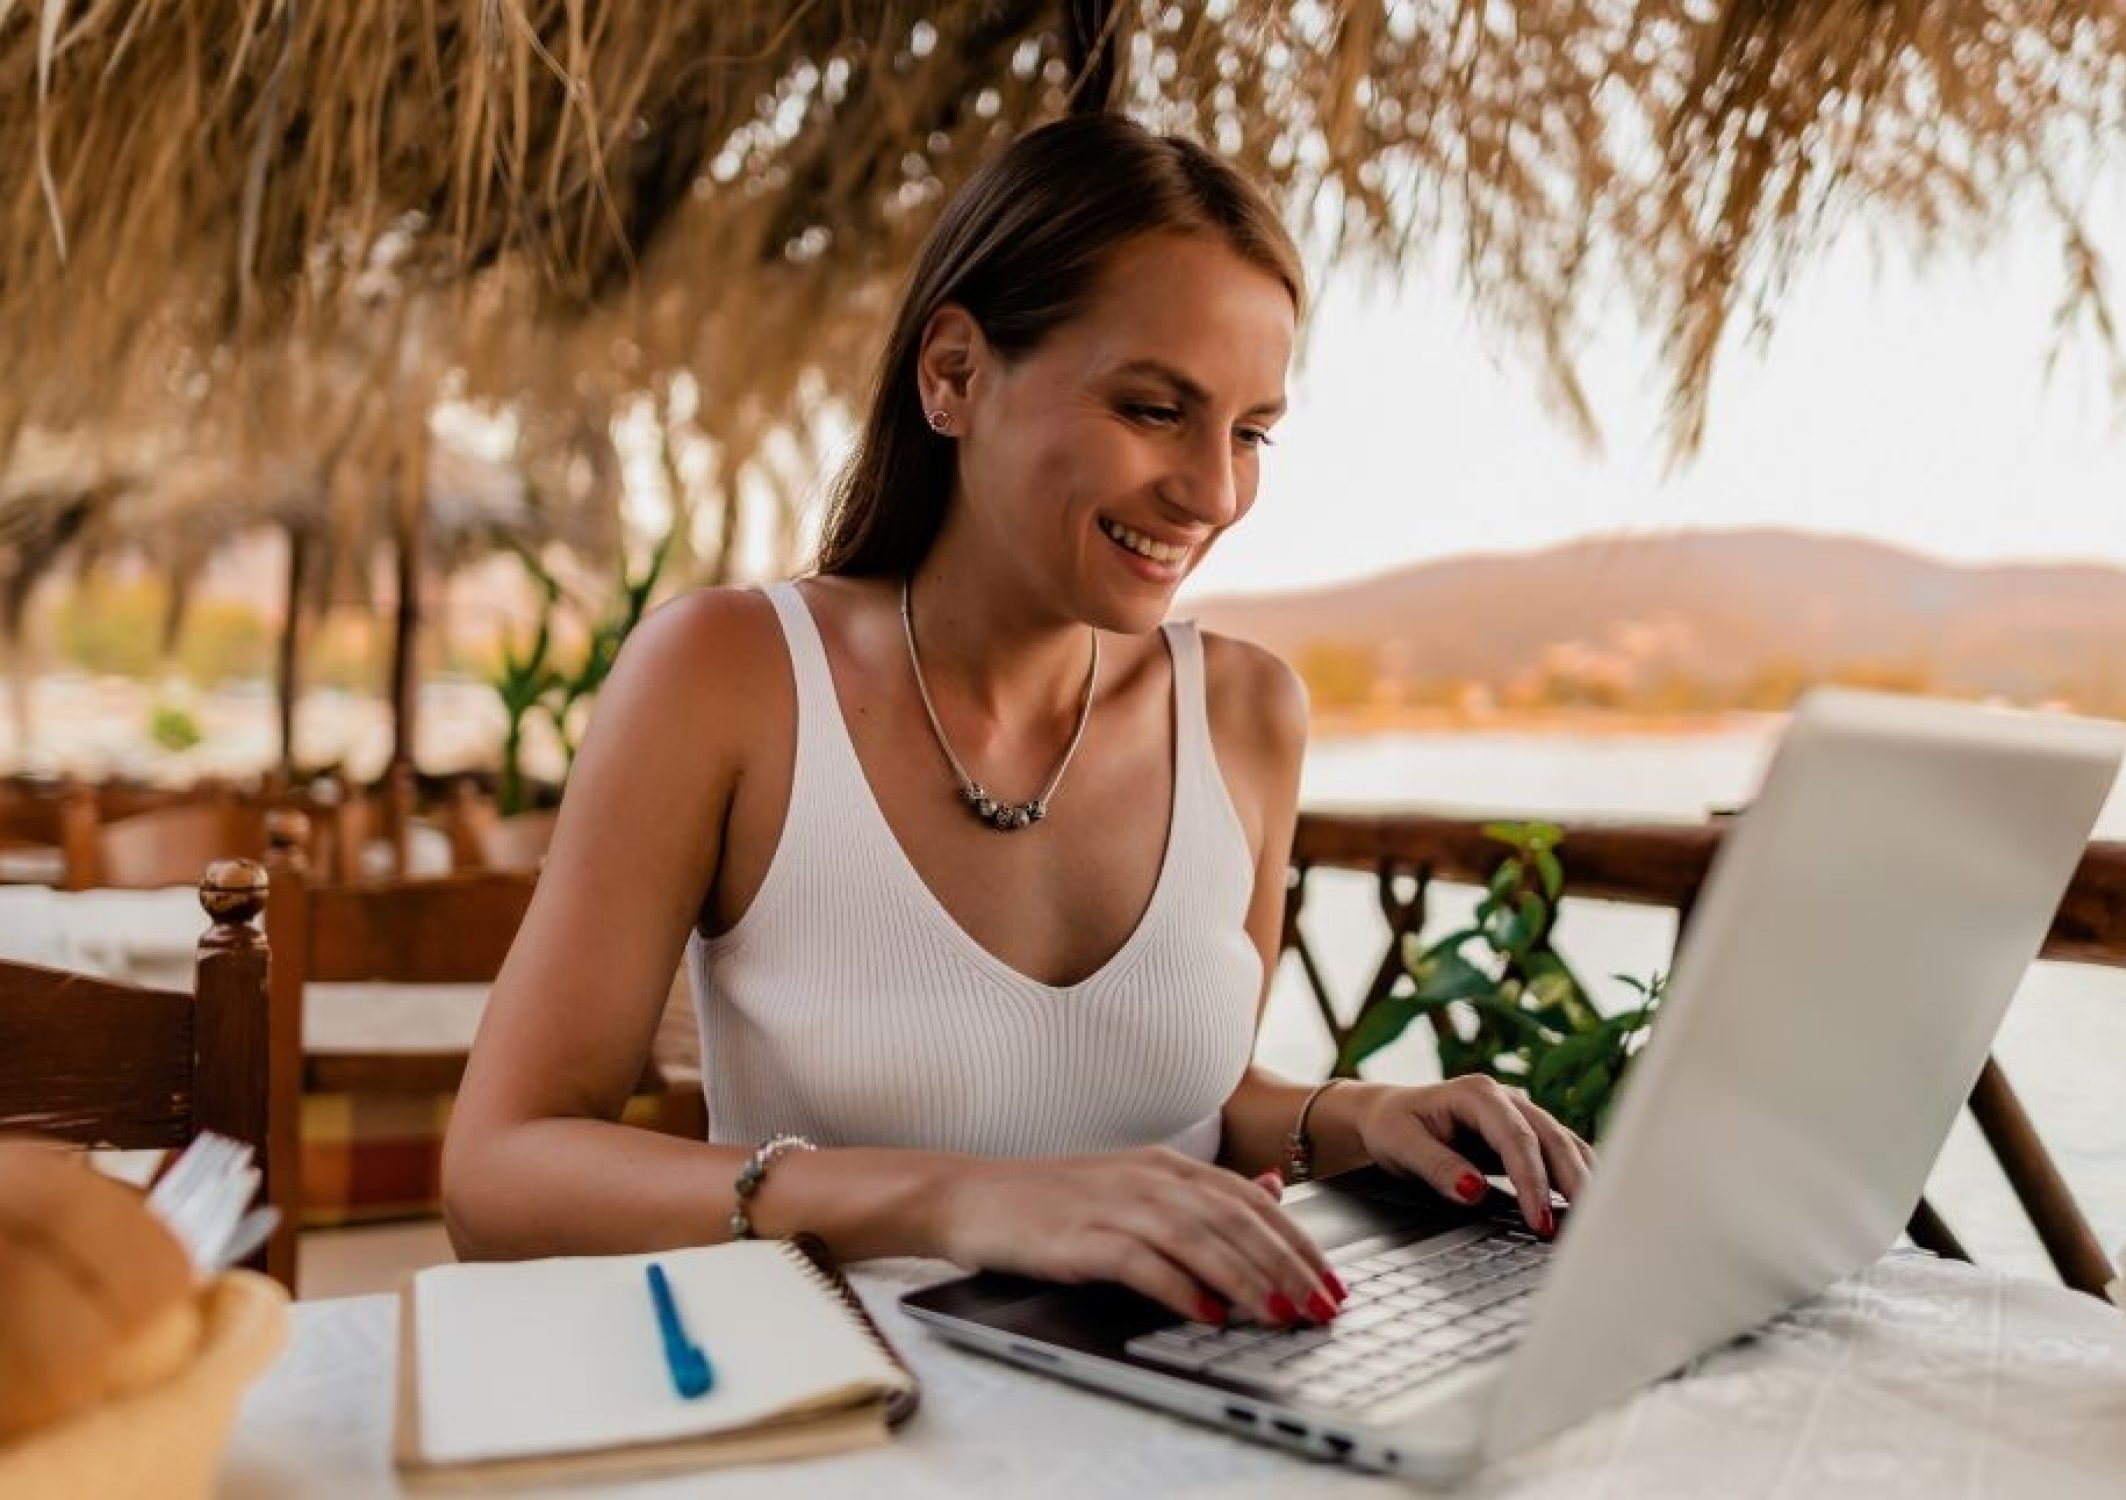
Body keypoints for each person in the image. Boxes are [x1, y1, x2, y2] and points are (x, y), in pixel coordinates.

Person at [443, 113, 1593, 1331]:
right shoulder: (730, 675)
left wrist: (1352, 1117)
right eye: (1155, 409)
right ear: (952, 375)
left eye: (1250, 432)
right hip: (846, 1421)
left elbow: (1184, 1103)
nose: (1212, 492)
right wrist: (964, 1202)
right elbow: (499, 1178)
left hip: (1182, 1411)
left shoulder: (1248, 712)